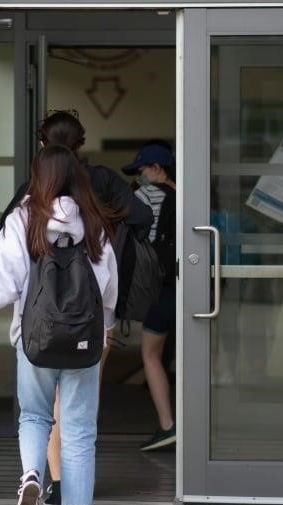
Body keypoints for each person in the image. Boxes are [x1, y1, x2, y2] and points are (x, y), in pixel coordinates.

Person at [0, 144, 118, 505]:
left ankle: (32, 477)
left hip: (35, 337)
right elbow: (107, 283)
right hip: (84, 338)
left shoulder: (25, 218)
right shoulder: (93, 221)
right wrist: (106, 327)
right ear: (76, 177)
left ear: (40, 178)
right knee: (79, 427)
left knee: (35, 416)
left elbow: (2, 278)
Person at [0, 110, 153, 505]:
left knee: (40, 410)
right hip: (90, 316)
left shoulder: (29, 196)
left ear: (41, 145)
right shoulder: (100, 184)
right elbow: (142, 215)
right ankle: (76, 503)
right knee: (79, 413)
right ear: (81, 143)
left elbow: (5, 252)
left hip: (38, 324)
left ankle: (52, 482)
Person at [121, 142, 177, 452]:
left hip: (160, 288)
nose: (140, 175)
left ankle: (168, 425)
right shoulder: (188, 194)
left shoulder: (145, 196)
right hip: (186, 285)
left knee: (151, 354)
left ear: (157, 168)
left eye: (142, 169)